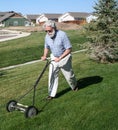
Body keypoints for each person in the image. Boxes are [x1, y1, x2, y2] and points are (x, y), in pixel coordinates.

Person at [41, 20, 78, 100]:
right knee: (52, 76)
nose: (48, 32)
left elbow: (69, 49)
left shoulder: (62, 35)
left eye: (49, 30)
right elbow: (46, 47)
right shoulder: (47, 36)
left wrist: (60, 58)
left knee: (69, 76)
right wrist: (44, 56)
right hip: (54, 57)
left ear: (54, 28)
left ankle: (74, 86)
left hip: (64, 57)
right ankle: (51, 94)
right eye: (46, 31)